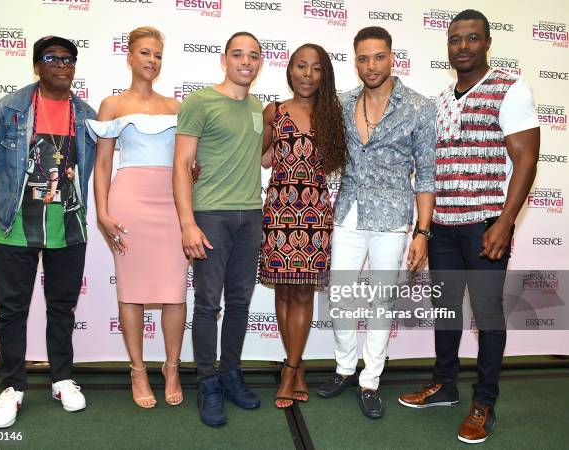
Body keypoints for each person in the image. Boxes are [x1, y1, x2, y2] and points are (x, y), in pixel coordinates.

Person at [398, 10, 540, 444]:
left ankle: (485, 401)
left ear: (487, 41)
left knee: (487, 313)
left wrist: (504, 222)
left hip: (484, 226)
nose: (463, 46)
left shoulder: (510, 88)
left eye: (472, 38)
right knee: (446, 311)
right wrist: (424, 229)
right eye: (455, 39)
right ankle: (444, 386)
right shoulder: (441, 99)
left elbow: (526, 160)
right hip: (442, 226)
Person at [315, 26, 436, 419]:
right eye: (363, 58)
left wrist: (422, 231)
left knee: (383, 300)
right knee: (341, 296)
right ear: (356, 61)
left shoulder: (418, 107)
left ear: (392, 57)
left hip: (393, 218)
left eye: (378, 57)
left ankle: (370, 379)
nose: (371, 65)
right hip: (348, 211)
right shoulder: (341, 102)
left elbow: (428, 175)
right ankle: (345, 368)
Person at [0, 35, 97, 428]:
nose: (61, 65)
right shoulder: (11, 107)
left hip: (68, 224)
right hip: (18, 224)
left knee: (62, 308)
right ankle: (12, 387)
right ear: (37, 65)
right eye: (52, 58)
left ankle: (62, 379)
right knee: (12, 309)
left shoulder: (85, 114)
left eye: (68, 59)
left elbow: (89, 169)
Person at [86, 26, 187, 409]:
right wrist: (103, 211)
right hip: (129, 201)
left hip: (171, 202)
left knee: (175, 292)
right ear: (129, 56)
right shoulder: (112, 105)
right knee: (131, 292)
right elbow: (103, 163)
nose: (152, 61)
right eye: (145, 53)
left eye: (158, 55)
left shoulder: (177, 107)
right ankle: (138, 370)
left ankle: (172, 367)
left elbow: (187, 162)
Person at [173, 31, 263, 427]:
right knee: (209, 304)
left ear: (260, 62)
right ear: (224, 59)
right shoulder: (200, 102)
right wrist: (188, 222)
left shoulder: (259, 106)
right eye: (238, 54)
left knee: (241, 303)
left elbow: (258, 156)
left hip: (251, 217)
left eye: (254, 56)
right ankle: (207, 382)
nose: (246, 61)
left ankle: (230, 373)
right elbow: (181, 164)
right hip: (210, 216)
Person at [259, 44, 347, 408]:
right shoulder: (273, 111)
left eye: (315, 68)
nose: (307, 74)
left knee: (302, 294)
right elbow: (262, 157)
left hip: (314, 210)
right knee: (281, 292)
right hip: (278, 209)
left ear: (324, 74)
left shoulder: (333, 115)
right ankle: (296, 366)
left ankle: (290, 368)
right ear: (290, 70)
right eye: (300, 66)